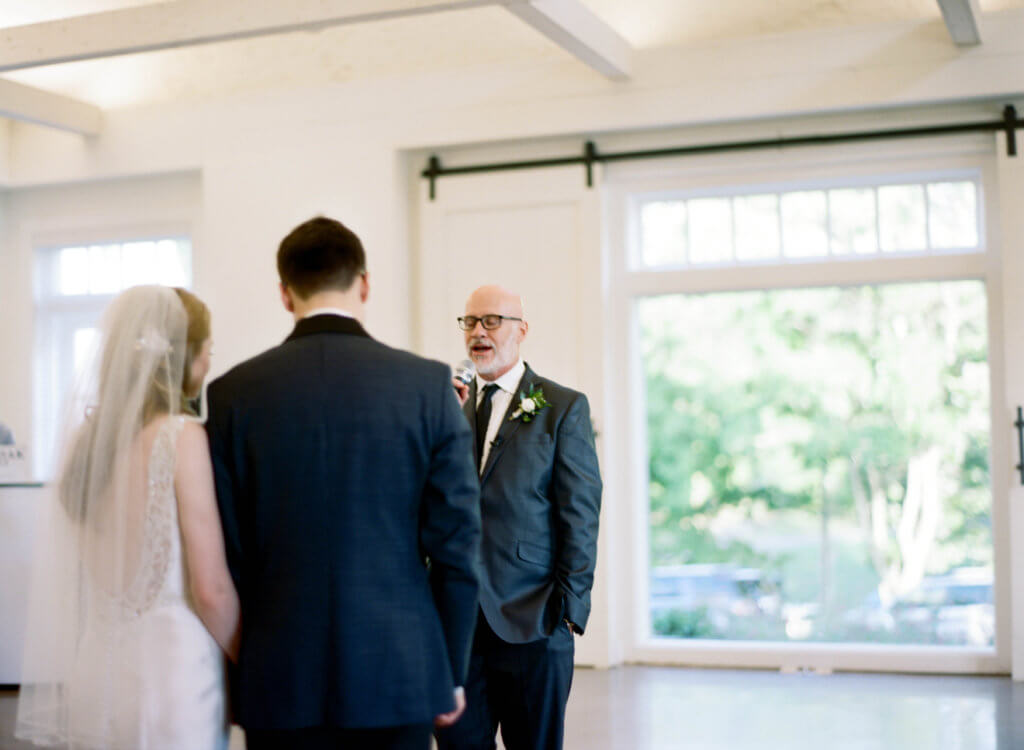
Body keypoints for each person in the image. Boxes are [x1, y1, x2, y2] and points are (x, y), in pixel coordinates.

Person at [204, 216, 481, 750]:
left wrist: (249, 666)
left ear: (285, 294)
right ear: (366, 283)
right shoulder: (425, 387)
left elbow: (229, 552)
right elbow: (457, 546)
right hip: (400, 670)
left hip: (279, 673)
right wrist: (449, 669)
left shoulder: (233, 394)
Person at [16, 285, 240, 750]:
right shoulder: (181, 437)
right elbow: (211, 589)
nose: (209, 362)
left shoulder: (86, 444)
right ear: (185, 356)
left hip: (96, 674)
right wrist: (252, 662)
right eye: (208, 350)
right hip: (174, 681)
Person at [437, 285, 602, 750]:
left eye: (491, 321)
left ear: (521, 331)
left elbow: (580, 512)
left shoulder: (561, 407)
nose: (477, 333)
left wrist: (569, 611)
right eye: (469, 322)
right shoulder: (446, 406)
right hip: (457, 625)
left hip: (534, 621)